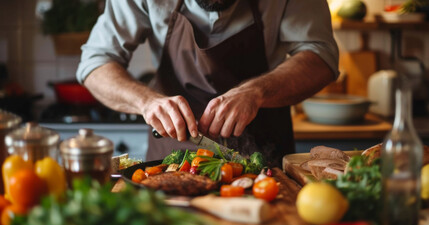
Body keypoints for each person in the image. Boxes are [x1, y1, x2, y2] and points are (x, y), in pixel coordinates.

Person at [77, 0, 339, 167]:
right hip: (172, 157)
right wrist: (146, 101)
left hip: (265, 152)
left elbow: (321, 57)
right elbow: (96, 63)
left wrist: (257, 91)